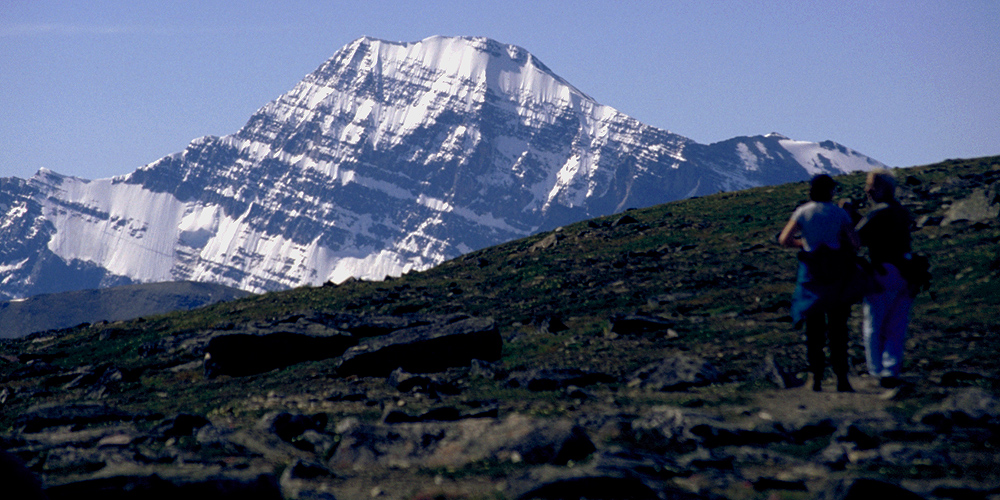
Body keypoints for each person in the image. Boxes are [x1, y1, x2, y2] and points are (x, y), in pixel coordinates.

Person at [779, 174, 860, 392]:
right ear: (831, 191)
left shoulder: (803, 212)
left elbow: (784, 239)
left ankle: (815, 377)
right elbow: (854, 242)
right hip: (836, 274)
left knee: (814, 330)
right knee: (838, 329)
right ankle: (842, 377)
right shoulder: (839, 213)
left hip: (811, 275)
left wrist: (803, 243)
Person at [856, 169, 914, 388]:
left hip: (882, 272)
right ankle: (891, 369)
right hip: (907, 271)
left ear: (881, 188)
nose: (867, 189)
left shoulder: (877, 213)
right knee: (896, 325)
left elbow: (858, 238)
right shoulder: (901, 212)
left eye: (870, 185)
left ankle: (876, 371)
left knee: (874, 323)